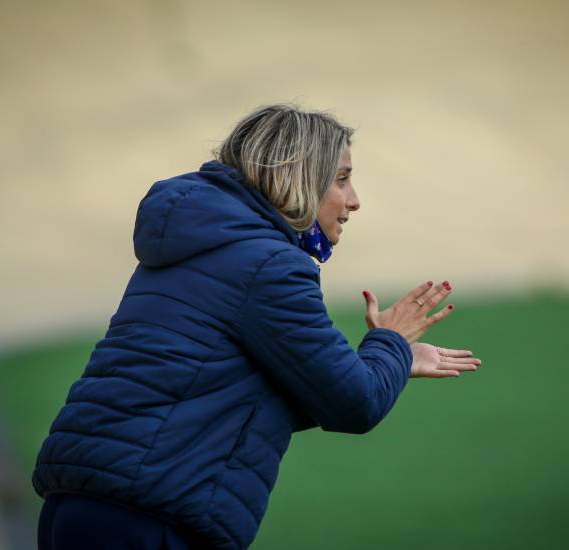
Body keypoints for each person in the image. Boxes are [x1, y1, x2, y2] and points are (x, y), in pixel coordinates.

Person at [33, 104, 481, 549]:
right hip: (145, 524)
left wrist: (391, 361)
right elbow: (353, 404)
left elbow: (237, 393)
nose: (353, 200)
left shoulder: (201, 241)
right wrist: (392, 342)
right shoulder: (269, 265)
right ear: (297, 176)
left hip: (83, 513)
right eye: (341, 179)